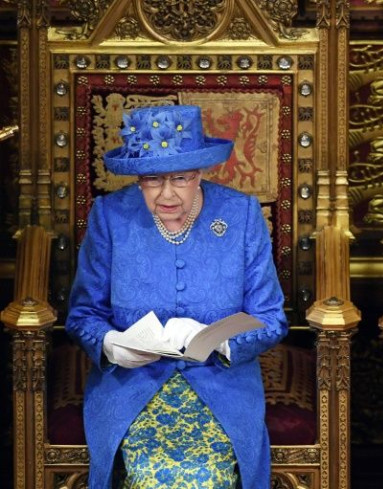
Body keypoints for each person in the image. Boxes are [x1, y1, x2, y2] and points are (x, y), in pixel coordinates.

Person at [66, 104, 288, 488]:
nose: (166, 195)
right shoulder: (110, 216)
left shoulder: (241, 214)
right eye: (152, 180)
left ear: (200, 173)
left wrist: (214, 338)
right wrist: (110, 344)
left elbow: (269, 316)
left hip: (221, 387)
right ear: (138, 179)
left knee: (207, 478)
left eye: (181, 178)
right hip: (132, 387)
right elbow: (83, 313)